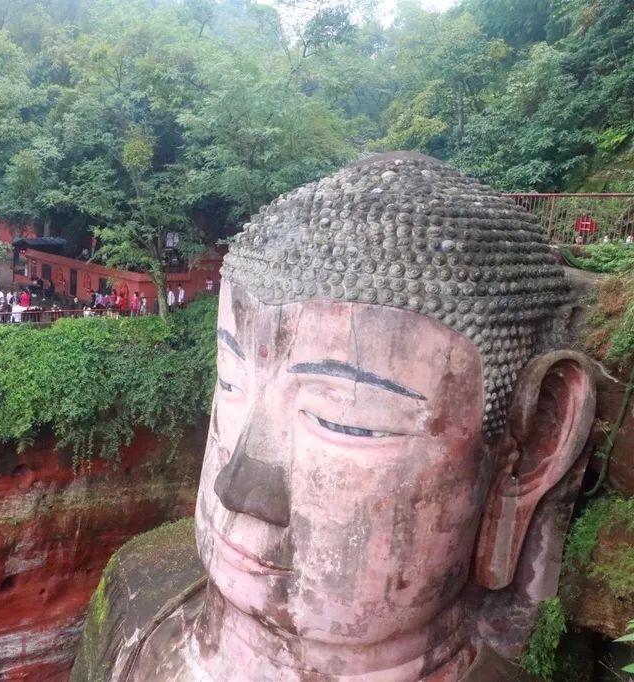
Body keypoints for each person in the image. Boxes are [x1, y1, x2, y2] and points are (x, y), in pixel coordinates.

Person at [71, 154, 595, 682]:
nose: (238, 489)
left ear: (528, 455)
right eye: (229, 383)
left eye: (345, 421)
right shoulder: (134, 599)